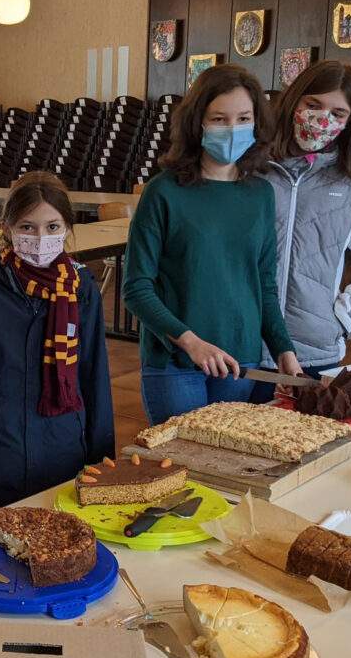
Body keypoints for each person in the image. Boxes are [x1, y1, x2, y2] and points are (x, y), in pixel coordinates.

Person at [122, 63, 301, 423]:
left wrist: (283, 349)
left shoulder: (260, 195)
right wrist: (191, 342)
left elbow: (263, 283)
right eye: (219, 119)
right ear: (198, 123)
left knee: (226, 467)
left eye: (243, 118)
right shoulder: (164, 191)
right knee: (179, 467)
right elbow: (136, 288)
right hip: (176, 361)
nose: (232, 129)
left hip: (239, 359)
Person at [0, 171, 114, 509]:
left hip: (64, 445)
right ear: (7, 228)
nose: (40, 238)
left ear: (67, 228)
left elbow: (94, 373)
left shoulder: (81, 288)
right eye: (27, 227)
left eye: (52, 227)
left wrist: (102, 453)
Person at [250, 60, 351, 403]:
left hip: (316, 351)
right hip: (246, 346)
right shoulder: (252, 169)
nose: (322, 120)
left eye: (338, 112)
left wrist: (345, 319)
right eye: (313, 105)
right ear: (294, 103)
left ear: (350, 122)